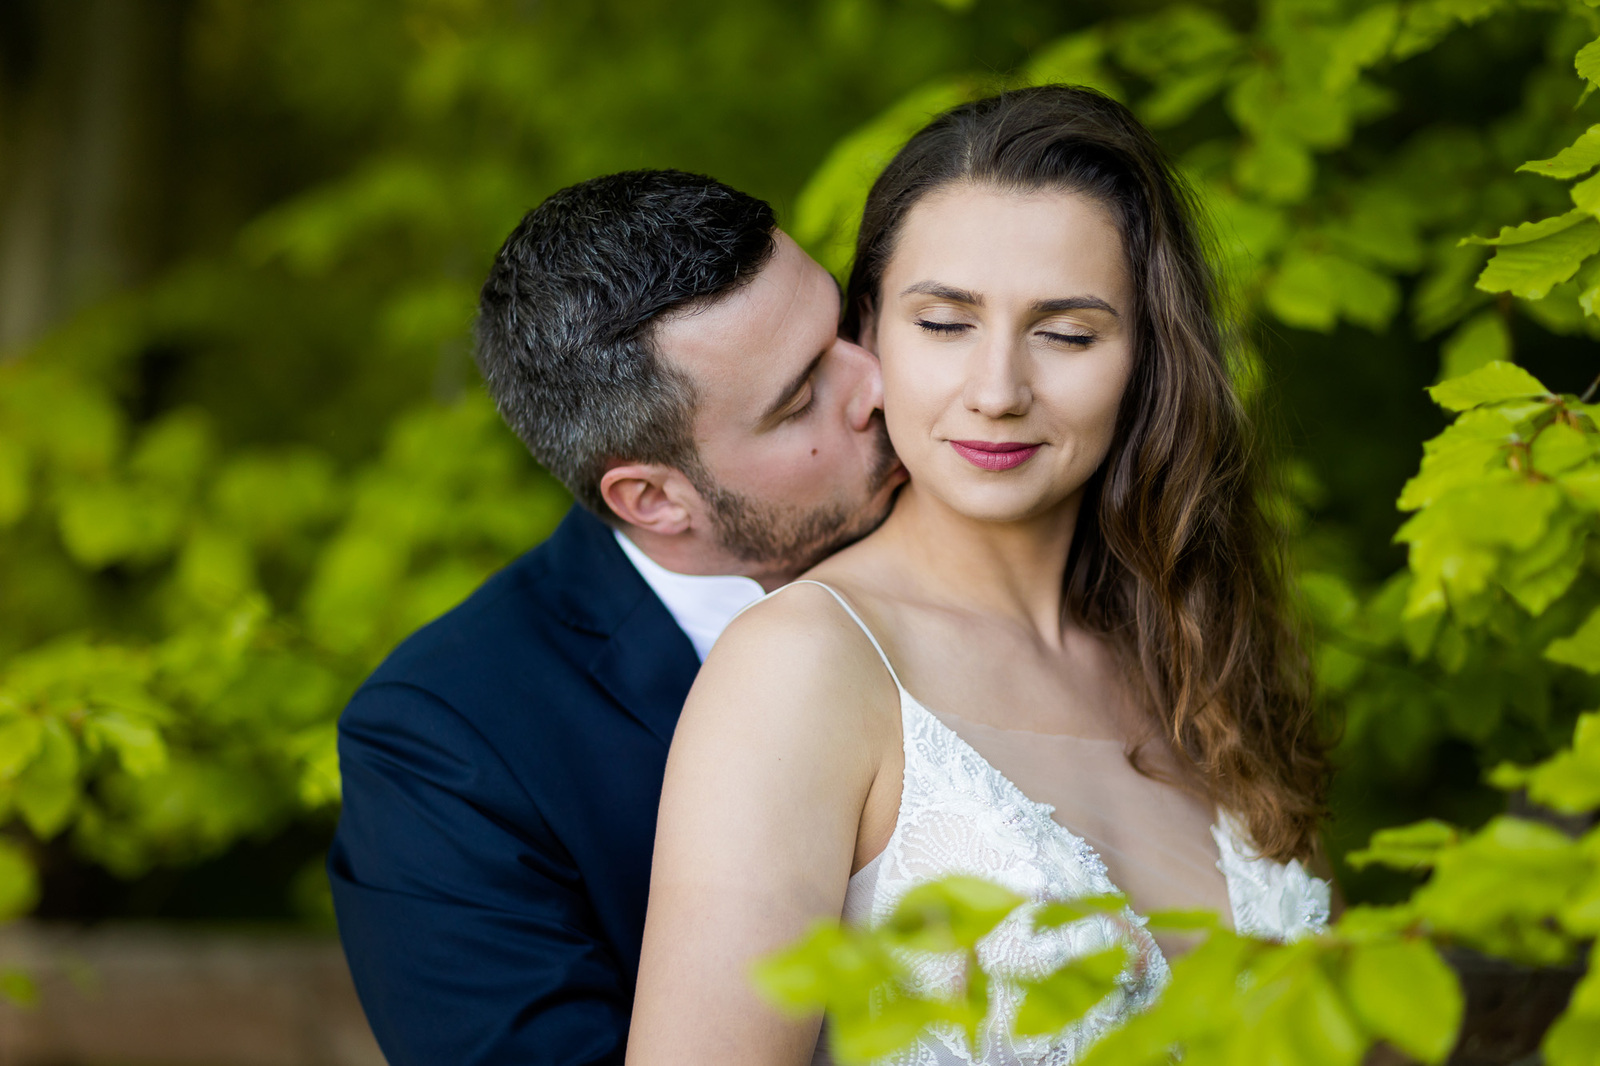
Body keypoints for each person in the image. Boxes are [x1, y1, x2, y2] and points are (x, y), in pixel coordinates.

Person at [628, 86, 1334, 1066]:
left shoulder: (1199, 648)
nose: (997, 391)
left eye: (1068, 333)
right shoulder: (803, 668)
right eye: (946, 323)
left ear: (1149, 360)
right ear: (868, 336)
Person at [328, 169, 904, 1066]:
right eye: (800, 401)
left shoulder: (1003, 528)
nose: (880, 384)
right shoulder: (448, 745)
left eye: (844, 327)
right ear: (653, 499)